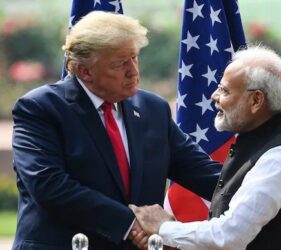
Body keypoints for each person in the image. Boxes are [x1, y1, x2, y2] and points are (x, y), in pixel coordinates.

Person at [11, 11, 221, 250]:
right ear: (85, 71)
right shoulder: (40, 109)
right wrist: (130, 224)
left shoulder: (153, 110)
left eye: (134, 58)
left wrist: (261, 188)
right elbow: (48, 185)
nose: (133, 71)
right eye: (120, 64)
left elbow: (200, 171)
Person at [129, 46, 281, 250]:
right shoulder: (261, 142)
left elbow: (229, 236)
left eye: (224, 90)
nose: (214, 96)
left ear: (256, 100)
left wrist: (164, 228)